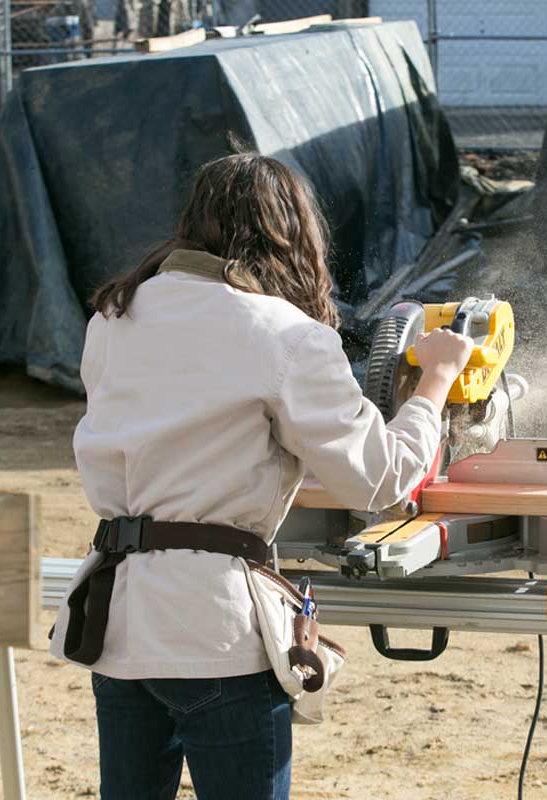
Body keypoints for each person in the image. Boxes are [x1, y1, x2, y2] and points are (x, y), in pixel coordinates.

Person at [48, 152, 473, 800]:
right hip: (214, 627)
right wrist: (436, 383)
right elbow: (379, 480)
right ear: (293, 234)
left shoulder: (113, 317)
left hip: (118, 616)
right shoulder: (286, 333)